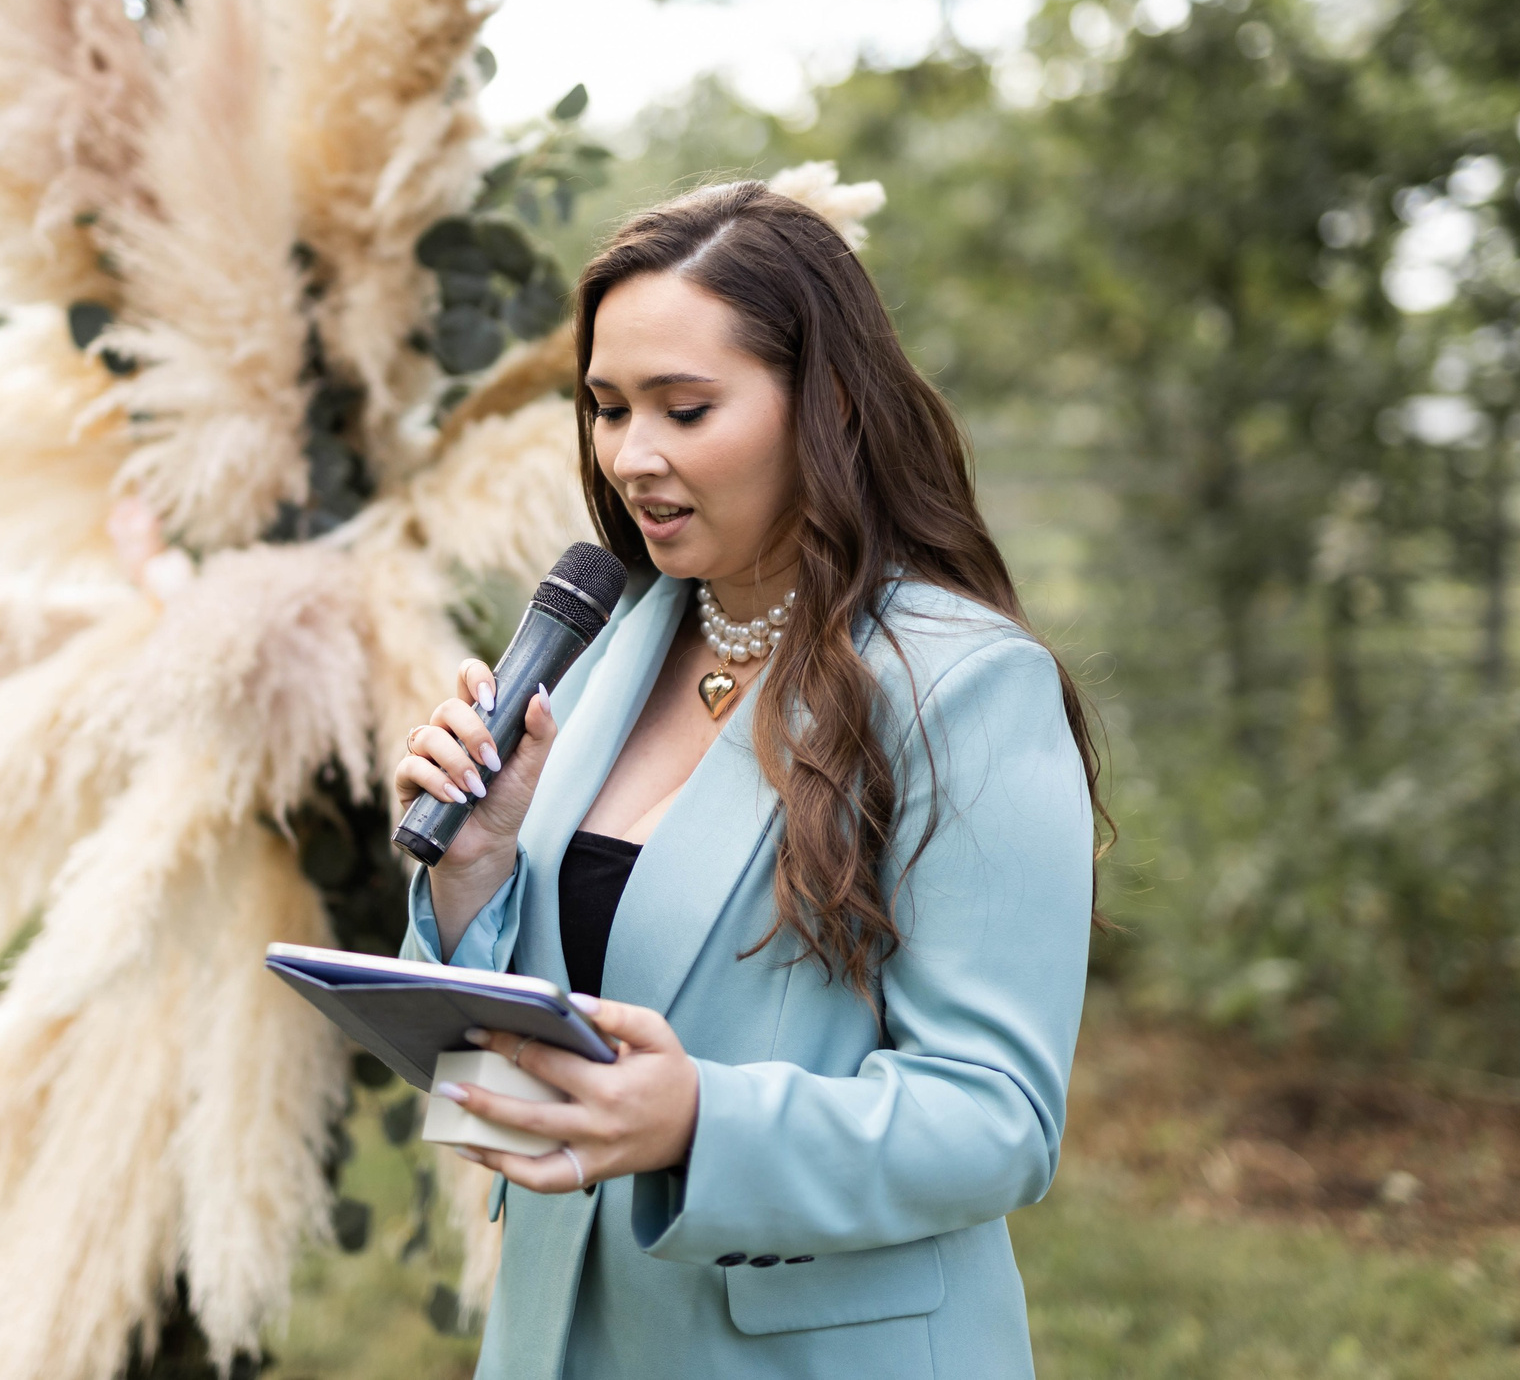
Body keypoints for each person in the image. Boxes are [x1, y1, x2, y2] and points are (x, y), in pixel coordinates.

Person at [393, 181, 1109, 1379]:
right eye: (607, 408)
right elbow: (499, 1083)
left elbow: (1000, 1123)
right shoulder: (611, 645)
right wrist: (475, 871)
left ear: (823, 402)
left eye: (686, 407)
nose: (632, 456)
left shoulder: (964, 686)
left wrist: (695, 1124)